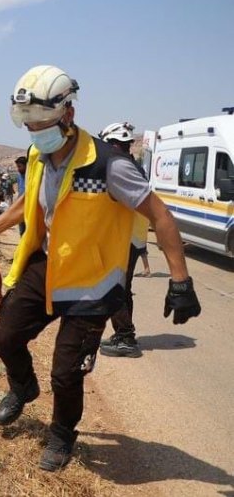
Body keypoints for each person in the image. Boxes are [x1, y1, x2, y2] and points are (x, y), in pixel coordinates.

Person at [0, 65, 201, 471]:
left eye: (42, 122)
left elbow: (160, 215)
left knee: (66, 371)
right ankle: (22, 387)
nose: (34, 131)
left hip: (92, 284)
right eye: (28, 124)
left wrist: (180, 280)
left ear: (67, 114)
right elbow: (30, 200)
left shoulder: (109, 165)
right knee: (4, 337)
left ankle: (61, 435)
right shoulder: (39, 154)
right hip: (50, 267)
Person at [96, 122, 152, 358]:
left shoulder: (122, 168)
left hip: (124, 239)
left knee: (114, 288)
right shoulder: (133, 166)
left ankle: (126, 338)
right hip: (133, 238)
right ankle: (124, 334)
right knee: (123, 287)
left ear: (113, 144)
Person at [15, 156, 28, 235]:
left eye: (20, 166)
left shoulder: (31, 175)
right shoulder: (19, 176)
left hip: (29, 204)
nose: (18, 169)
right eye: (17, 166)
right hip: (20, 203)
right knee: (21, 225)